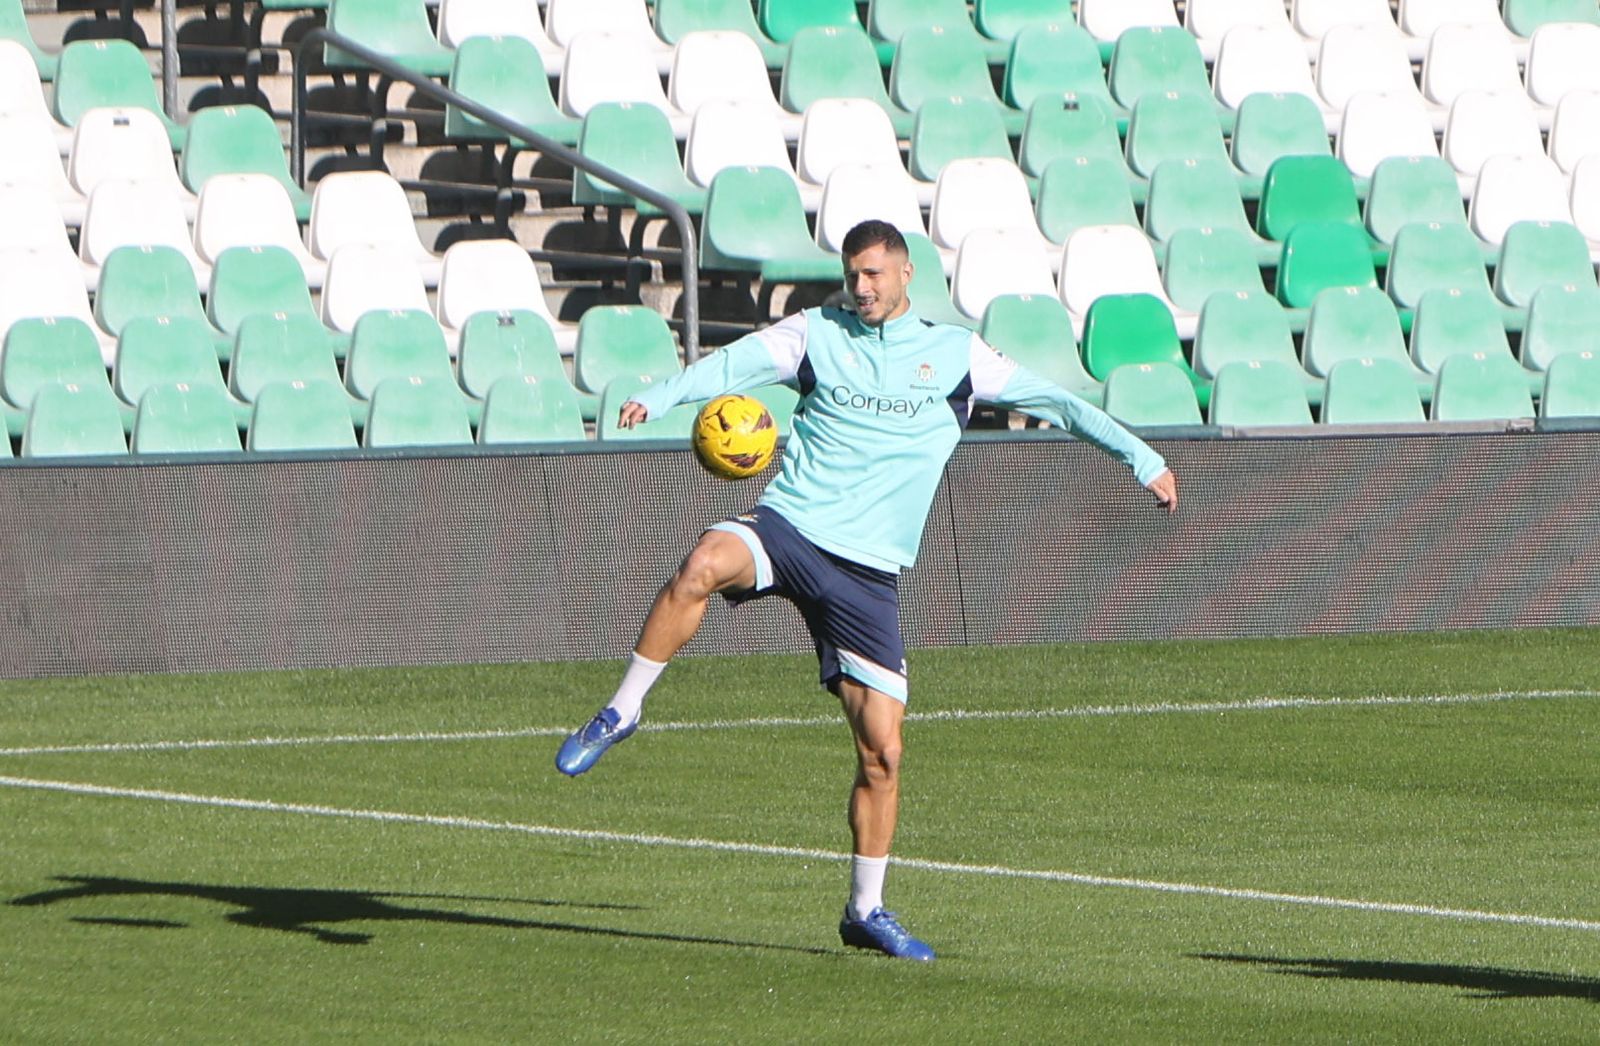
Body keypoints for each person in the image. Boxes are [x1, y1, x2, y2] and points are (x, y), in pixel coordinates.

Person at [556, 219, 1178, 962]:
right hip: (791, 529)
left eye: (875, 275)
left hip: (866, 576)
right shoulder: (817, 333)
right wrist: (660, 397)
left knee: (883, 753)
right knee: (703, 562)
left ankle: (865, 910)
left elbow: (1061, 402)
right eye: (853, 275)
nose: (861, 288)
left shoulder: (956, 356)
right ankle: (623, 709)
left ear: (907, 274)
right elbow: (733, 365)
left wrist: (1142, 459)